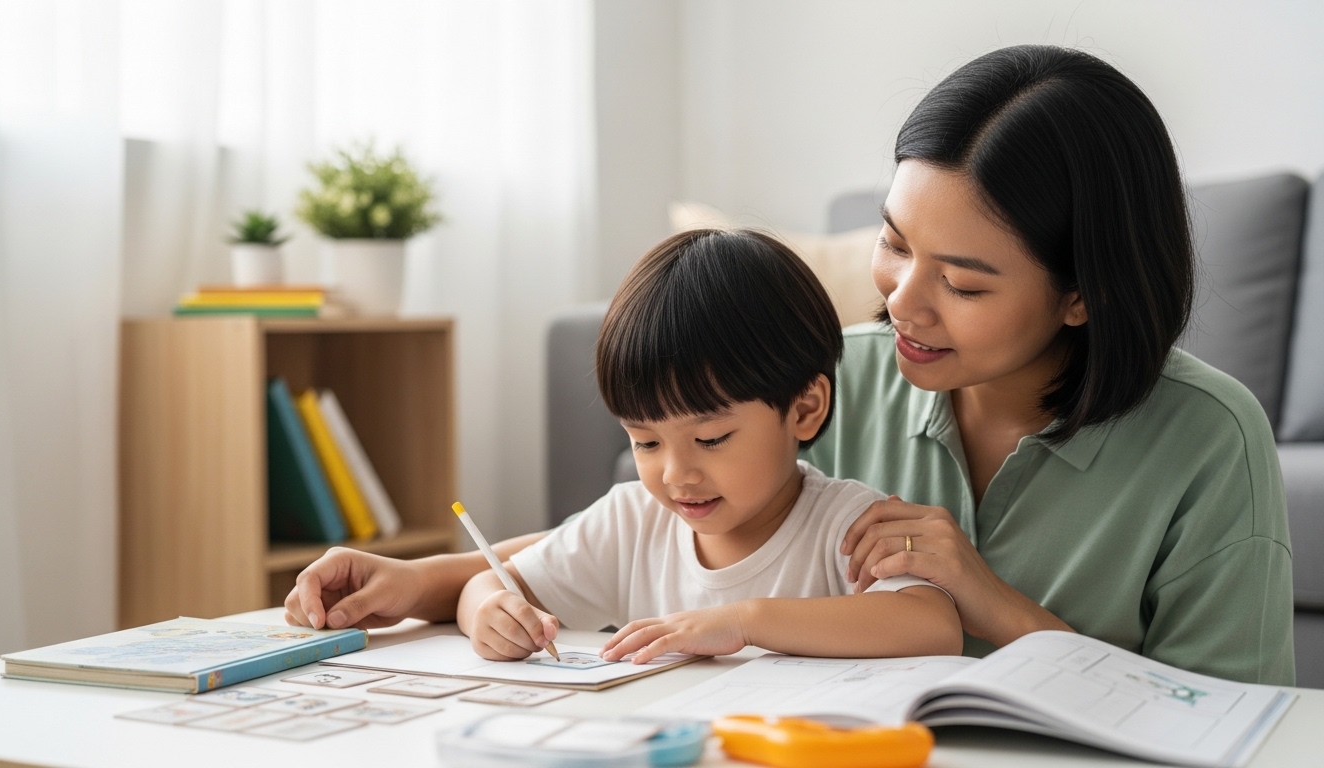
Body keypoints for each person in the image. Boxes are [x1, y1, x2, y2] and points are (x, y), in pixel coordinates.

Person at [284, 45, 1293, 685]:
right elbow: (634, 529)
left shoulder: (1207, 439)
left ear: (1082, 292)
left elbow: (1230, 725)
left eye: (964, 282)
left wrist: (987, 603)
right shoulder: (834, 371)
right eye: (894, 244)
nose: (900, 300)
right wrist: (427, 582)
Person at [459, 229, 959, 662]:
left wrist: (744, 622)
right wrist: (489, 610)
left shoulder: (847, 526)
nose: (676, 474)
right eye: (646, 441)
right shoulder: (630, 524)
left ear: (805, 410)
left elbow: (933, 624)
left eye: (710, 438)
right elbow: (494, 583)